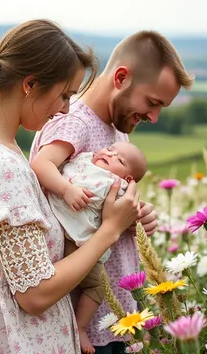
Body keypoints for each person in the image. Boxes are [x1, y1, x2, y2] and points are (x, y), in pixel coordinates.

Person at [0, 19, 140, 353]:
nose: (65, 108)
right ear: (29, 84)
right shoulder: (2, 168)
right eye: (63, 94)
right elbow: (34, 294)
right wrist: (110, 229)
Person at [30, 30, 194, 353]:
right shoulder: (72, 123)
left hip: (119, 317)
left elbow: (106, 205)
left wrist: (135, 217)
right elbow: (46, 189)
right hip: (88, 328)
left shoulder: (117, 130)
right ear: (121, 78)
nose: (154, 117)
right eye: (152, 102)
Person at [35, 141, 147, 353]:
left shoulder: (117, 185)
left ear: (128, 179)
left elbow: (129, 211)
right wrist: (66, 189)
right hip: (51, 229)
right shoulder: (82, 159)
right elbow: (46, 167)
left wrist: (139, 211)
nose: (110, 154)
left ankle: (81, 327)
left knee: (98, 286)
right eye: (110, 150)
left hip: (79, 245)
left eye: (119, 160)